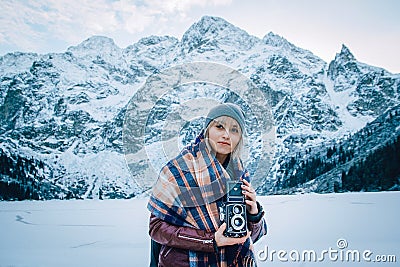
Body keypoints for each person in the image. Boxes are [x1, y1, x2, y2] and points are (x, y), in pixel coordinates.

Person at [147, 103, 267, 267]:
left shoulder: (239, 174)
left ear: (240, 138)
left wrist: (253, 214)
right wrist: (210, 240)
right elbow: (156, 228)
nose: (226, 135)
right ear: (207, 130)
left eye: (234, 130)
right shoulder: (179, 169)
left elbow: (246, 237)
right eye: (219, 126)